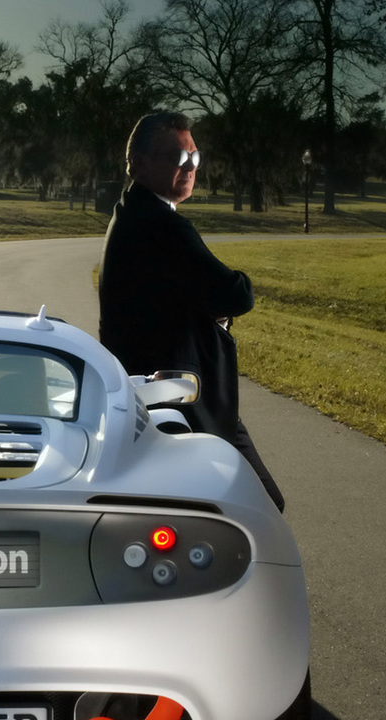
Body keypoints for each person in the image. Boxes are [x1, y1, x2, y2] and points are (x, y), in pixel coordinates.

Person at [97, 111, 286, 511]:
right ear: (139, 163)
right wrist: (221, 303)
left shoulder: (131, 213)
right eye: (178, 157)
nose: (190, 167)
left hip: (152, 397)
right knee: (262, 504)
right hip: (180, 403)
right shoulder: (162, 226)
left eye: (195, 157)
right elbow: (236, 294)